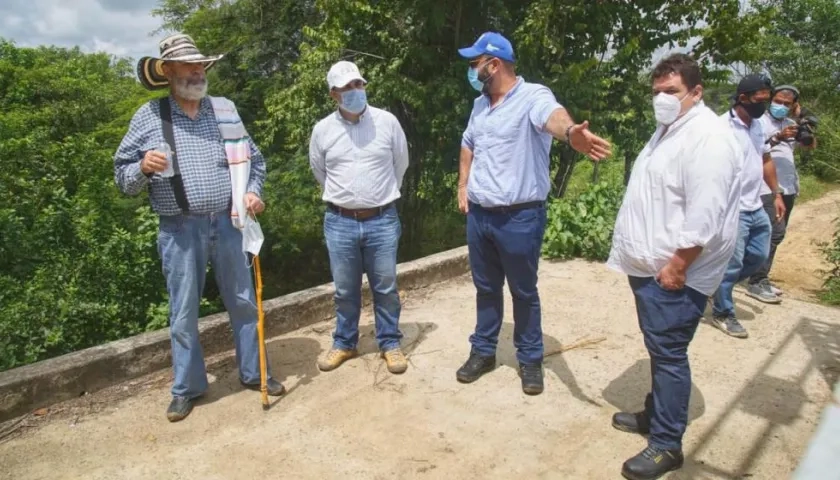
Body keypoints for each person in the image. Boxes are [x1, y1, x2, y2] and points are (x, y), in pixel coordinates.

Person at [114, 33, 284, 422]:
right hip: (179, 229)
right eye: (187, 66)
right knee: (183, 311)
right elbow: (122, 179)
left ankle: (256, 372)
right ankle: (187, 387)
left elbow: (255, 162)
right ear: (168, 72)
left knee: (244, 302)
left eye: (200, 65)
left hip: (229, 222)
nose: (196, 71)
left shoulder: (224, 110)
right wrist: (142, 167)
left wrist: (253, 192)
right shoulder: (149, 116)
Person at [607, 53, 742, 480]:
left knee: (668, 353)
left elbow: (706, 211)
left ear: (696, 92)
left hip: (676, 271)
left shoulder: (709, 138)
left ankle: (666, 444)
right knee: (659, 347)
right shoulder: (672, 128)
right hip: (653, 264)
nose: (662, 99)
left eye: (671, 91)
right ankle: (656, 415)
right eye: (656, 92)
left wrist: (679, 264)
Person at [454, 32, 612, 395]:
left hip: (519, 218)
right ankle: (483, 352)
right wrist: (463, 184)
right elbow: (468, 143)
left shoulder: (533, 97)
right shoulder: (480, 105)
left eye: (475, 63)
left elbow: (553, 118)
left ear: (494, 64)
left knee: (523, 292)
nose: (471, 70)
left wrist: (570, 132)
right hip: (480, 217)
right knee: (485, 288)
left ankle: (529, 359)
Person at [308, 60, 410, 375]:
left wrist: (377, 197)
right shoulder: (323, 130)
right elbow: (319, 171)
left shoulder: (387, 122)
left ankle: (390, 342)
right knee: (344, 290)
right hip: (339, 222)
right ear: (333, 94)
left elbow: (401, 164)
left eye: (358, 84)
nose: (354, 91)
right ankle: (345, 342)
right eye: (346, 87)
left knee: (386, 286)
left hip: (382, 219)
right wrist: (347, 199)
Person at [711, 74, 787, 339]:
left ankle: (714, 285)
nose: (764, 105)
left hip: (755, 205)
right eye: (759, 99)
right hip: (733, 208)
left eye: (767, 99)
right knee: (732, 263)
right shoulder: (721, 128)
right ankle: (723, 312)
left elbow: (765, 159)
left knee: (758, 256)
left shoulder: (758, 126)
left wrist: (776, 193)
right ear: (743, 98)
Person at [746, 85, 817, 303]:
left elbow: (810, 146)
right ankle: (756, 281)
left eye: (787, 103)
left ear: (794, 105)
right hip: (765, 187)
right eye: (778, 101)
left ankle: (759, 275)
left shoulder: (791, 124)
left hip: (788, 186)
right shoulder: (759, 122)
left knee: (774, 234)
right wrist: (778, 137)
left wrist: (804, 122)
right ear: (771, 100)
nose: (781, 106)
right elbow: (753, 149)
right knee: (773, 233)